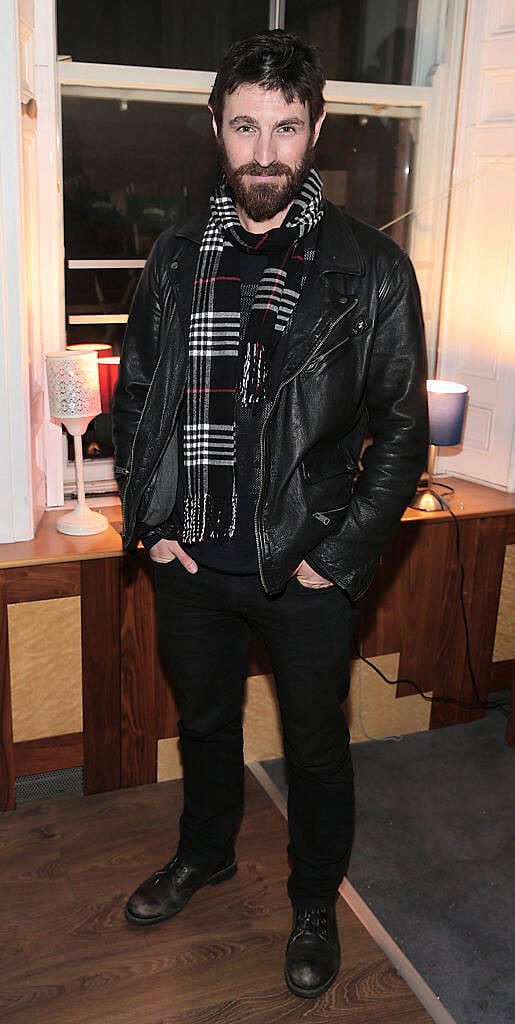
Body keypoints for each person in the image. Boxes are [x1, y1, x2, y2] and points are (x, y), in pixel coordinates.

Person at [112, 29, 428, 1000]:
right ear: (215, 127)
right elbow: (132, 398)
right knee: (203, 724)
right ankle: (204, 854)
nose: (262, 152)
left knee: (314, 747)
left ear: (315, 127)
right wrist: (150, 517)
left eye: (284, 128)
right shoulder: (171, 258)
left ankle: (311, 898)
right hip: (189, 559)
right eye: (244, 126)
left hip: (304, 566)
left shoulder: (371, 270)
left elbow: (403, 436)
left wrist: (333, 560)